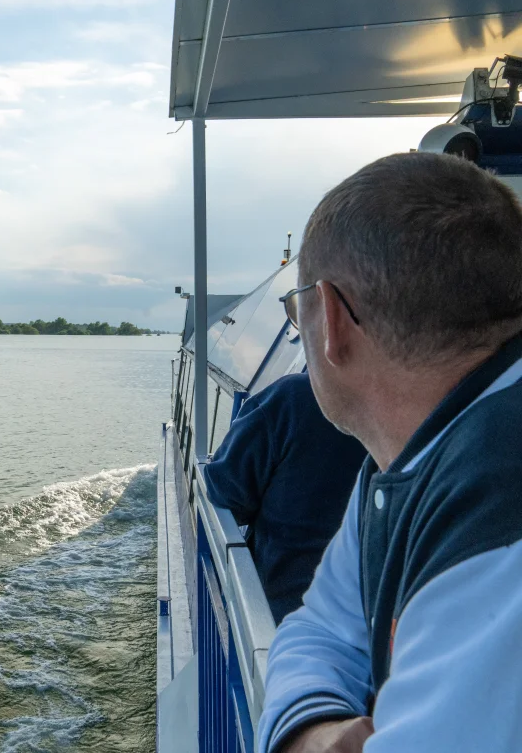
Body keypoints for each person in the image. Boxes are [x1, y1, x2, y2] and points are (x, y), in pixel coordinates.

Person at [259, 152, 522, 753]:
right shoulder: (409, 459)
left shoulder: (498, 511)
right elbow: (322, 627)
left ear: (330, 317)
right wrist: (310, 733)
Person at [205, 374, 365, 623]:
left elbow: (225, 491)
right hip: (383, 632)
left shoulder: (293, 396)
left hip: (282, 615)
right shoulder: (429, 410)